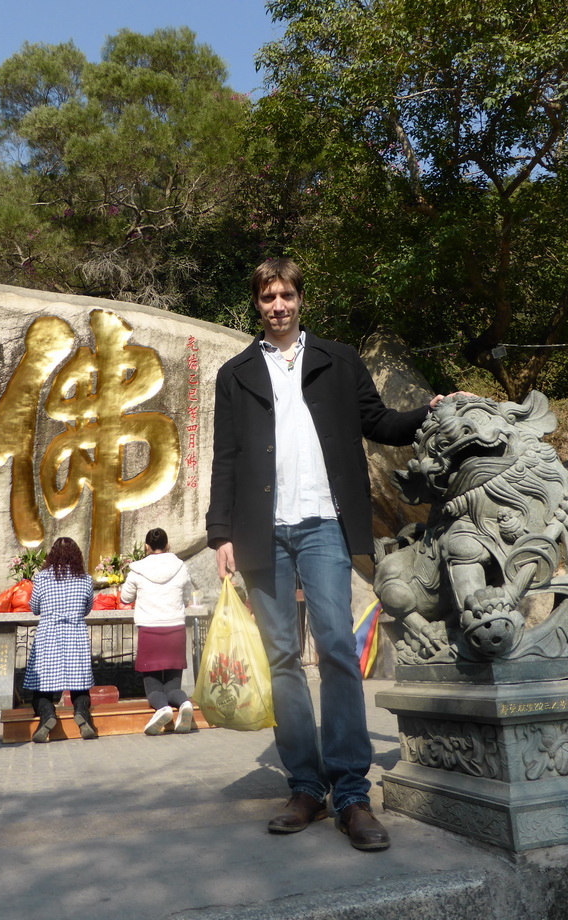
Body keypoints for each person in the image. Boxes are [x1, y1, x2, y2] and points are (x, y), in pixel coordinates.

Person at [206, 258, 457, 851]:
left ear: (301, 300)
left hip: (323, 524)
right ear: (257, 303)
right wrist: (221, 533)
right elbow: (227, 459)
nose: (278, 306)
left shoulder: (337, 361)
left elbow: (380, 422)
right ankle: (304, 786)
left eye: (286, 295)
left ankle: (350, 793)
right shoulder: (236, 373)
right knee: (283, 659)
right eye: (268, 297)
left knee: (339, 651)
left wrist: (433, 411)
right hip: (262, 531)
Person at [22, 537, 97, 742]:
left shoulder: (42, 578)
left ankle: (47, 715)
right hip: (76, 634)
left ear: (52, 555)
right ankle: (81, 713)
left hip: (49, 635)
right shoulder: (85, 579)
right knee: (79, 685)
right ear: (77, 556)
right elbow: (87, 608)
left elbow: (34, 607)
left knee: (42, 688)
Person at [121, 527, 194, 735]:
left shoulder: (137, 569)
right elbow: (187, 596)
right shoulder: (180, 566)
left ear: (146, 546)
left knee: (153, 688)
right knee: (173, 686)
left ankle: (162, 709)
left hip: (150, 631)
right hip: (175, 629)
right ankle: (184, 704)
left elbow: (126, 598)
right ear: (167, 544)